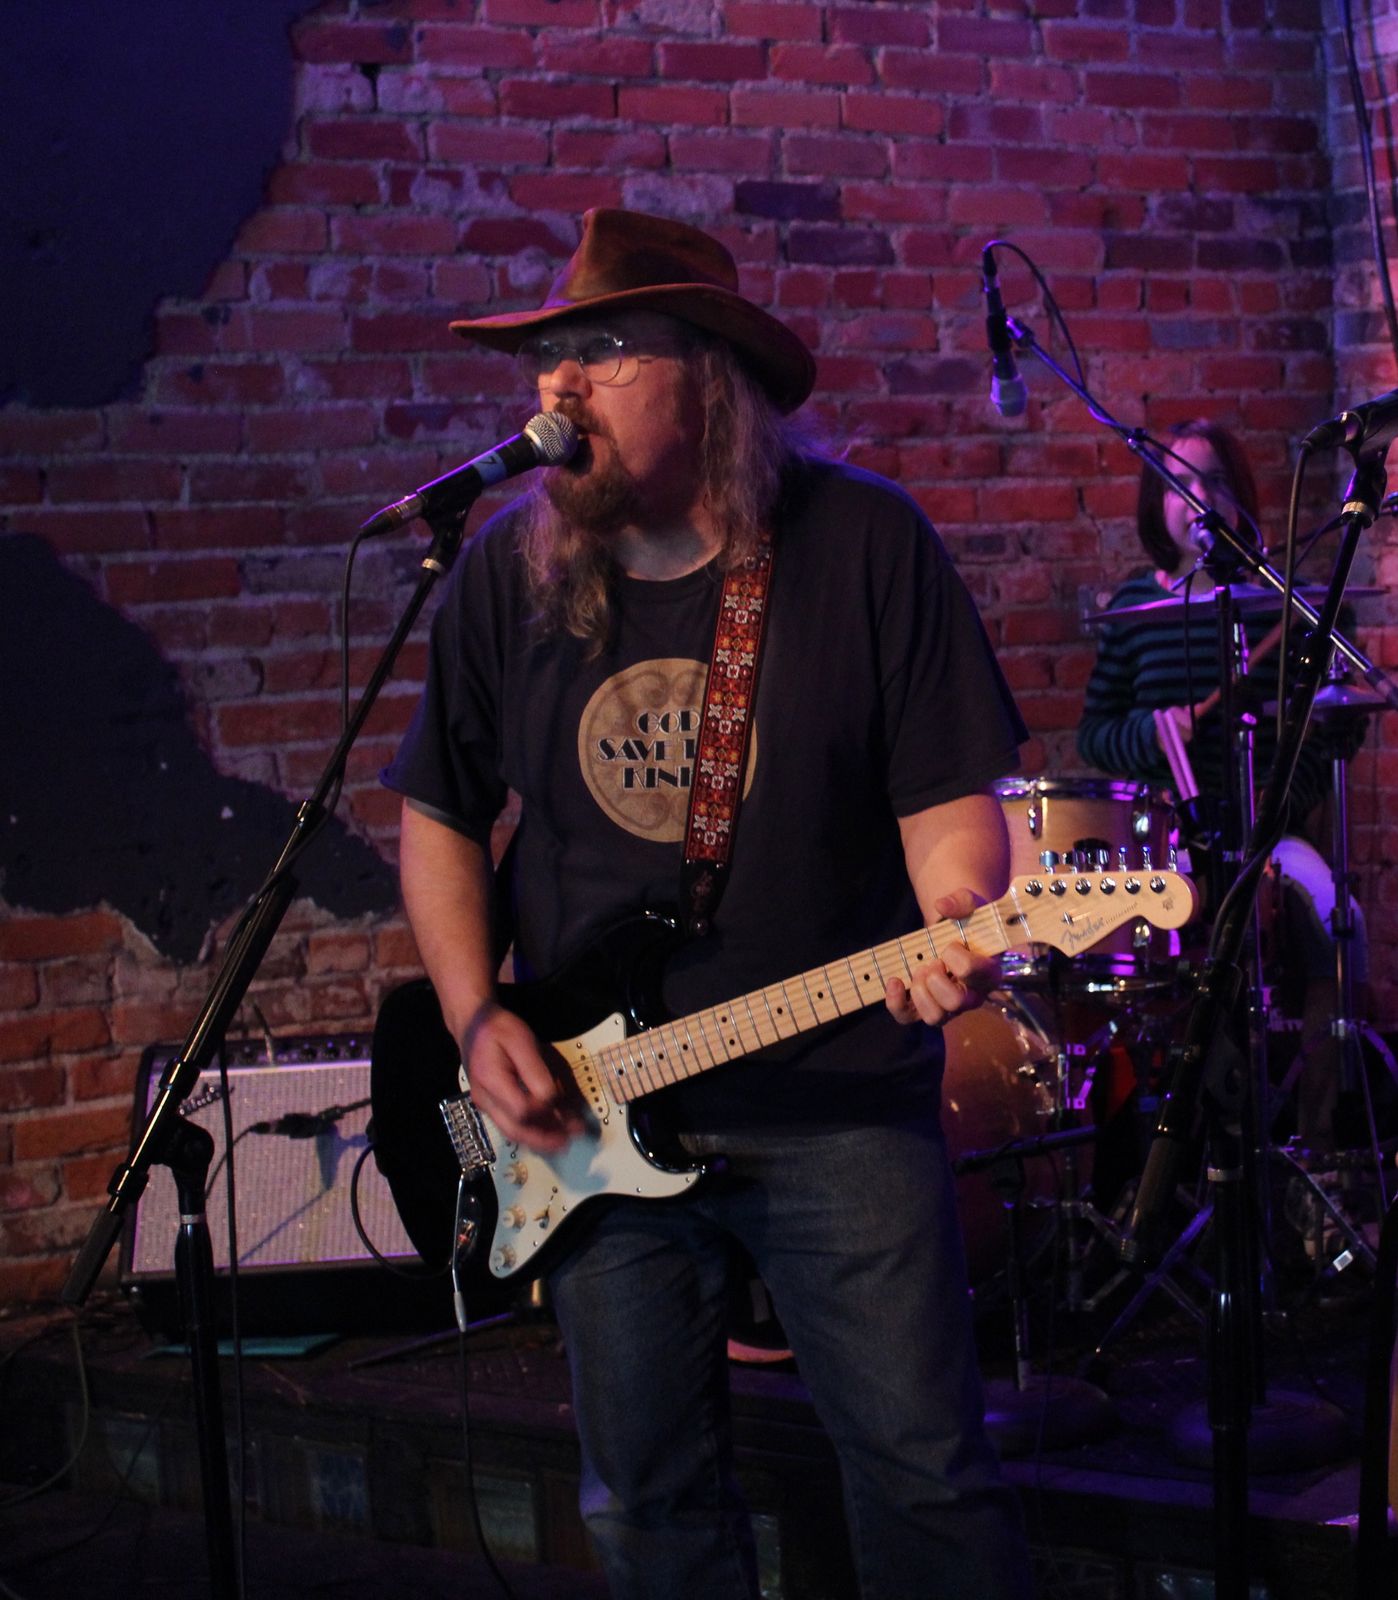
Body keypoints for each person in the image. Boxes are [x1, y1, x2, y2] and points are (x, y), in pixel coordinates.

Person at [383, 207, 1034, 1599]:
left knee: (924, 1481)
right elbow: (438, 814)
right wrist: (474, 1012)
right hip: (591, 1114)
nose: (561, 386)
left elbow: (946, 800)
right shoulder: (504, 572)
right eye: (550, 356)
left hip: (837, 1104)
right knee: (644, 1505)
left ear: (710, 379)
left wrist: (954, 913)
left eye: (607, 351)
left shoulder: (860, 545)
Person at [1077, 419, 1366, 1150]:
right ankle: (1172, 1148)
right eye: (1177, 483)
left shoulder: (1284, 604)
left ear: (1238, 497)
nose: (1195, 498)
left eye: (1210, 481)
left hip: (1273, 835)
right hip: (1169, 840)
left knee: (1338, 924)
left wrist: (1277, 807)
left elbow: (1328, 726)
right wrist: (1150, 734)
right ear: (1155, 504)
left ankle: (1315, 1140)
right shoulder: (1134, 613)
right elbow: (1094, 734)